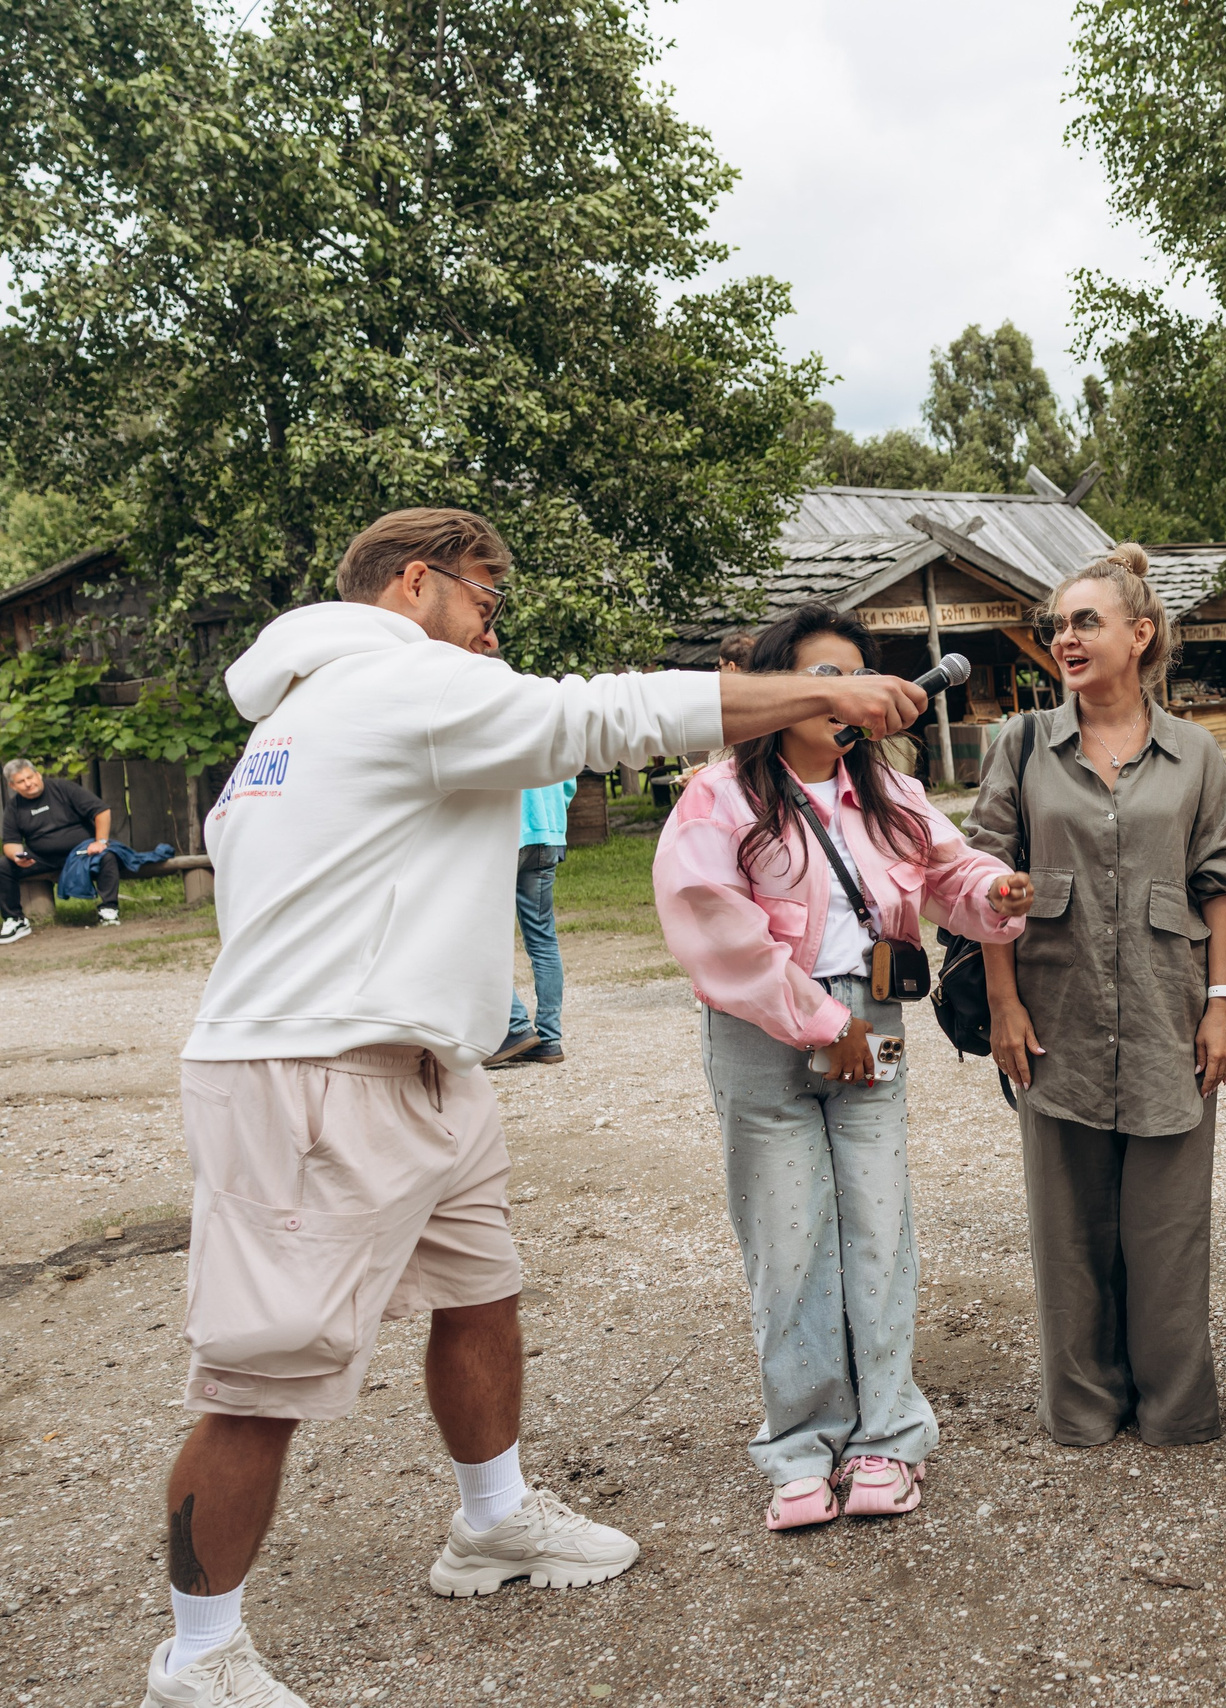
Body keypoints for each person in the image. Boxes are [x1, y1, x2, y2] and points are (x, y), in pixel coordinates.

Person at [148, 508, 927, 1708]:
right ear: (415, 583)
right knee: (260, 1376)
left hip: (427, 1061)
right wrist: (817, 691)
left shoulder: (298, 719)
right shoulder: (389, 683)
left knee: (480, 1293)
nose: (493, 625)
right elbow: (600, 717)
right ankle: (197, 1655)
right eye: (486, 597)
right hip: (311, 1071)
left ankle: (493, 1520)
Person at [657, 603, 1032, 1528]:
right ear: (778, 690)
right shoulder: (719, 796)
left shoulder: (890, 792)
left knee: (878, 1226)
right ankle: (799, 1447)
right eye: (822, 675)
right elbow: (713, 926)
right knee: (786, 1241)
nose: (845, 694)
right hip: (764, 1029)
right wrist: (824, 1024)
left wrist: (995, 890)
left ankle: (887, 1439)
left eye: (856, 676)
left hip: (874, 1016)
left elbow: (950, 874)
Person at [968, 545, 1226, 1449]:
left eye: (1085, 622)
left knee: (1169, 1231)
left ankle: (1175, 1407)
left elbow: (1221, 882)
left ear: (1140, 634)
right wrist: (1003, 1004)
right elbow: (983, 880)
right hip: (1054, 1019)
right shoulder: (1021, 746)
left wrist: (1223, 1003)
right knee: (1068, 1231)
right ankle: (1084, 1407)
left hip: (1173, 1014)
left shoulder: (1195, 753)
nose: (1066, 637)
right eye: (1058, 625)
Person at [489, 780, 577, 1067]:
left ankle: (515, 1026)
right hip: (550, 834)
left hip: (508, 834)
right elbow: (569, 780)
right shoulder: (554, 744)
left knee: (485, 935)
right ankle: (549, 1040)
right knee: (543, 938)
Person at [1, 760, 120, 936]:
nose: (28, 784)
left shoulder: (63, 788)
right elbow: (10, 842)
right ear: (12, 786)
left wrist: (100, 841)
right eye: (21, 781)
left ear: (38, 775)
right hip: (42, 858)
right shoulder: (13, 808)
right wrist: (18, 856)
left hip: (81, 852)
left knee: (106, 856)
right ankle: (15, 920)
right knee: (4, 866)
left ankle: (109, 909)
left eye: (30, 777)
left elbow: (101, 811)